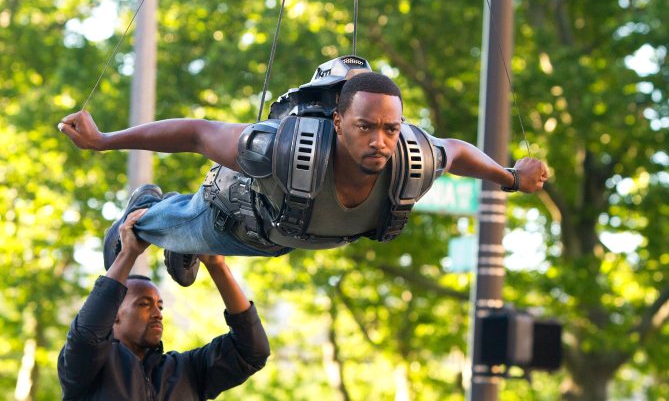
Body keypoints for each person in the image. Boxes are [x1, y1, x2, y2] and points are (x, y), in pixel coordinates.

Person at [58, 56, 549, 287]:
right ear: (337, 122)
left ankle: (183, 242)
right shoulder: (284, 150)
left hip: (287, 237)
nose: (380, 141)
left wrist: (511, 177)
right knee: (168, 226)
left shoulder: (412, 160)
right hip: (235, 221)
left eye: (390, 128)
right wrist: (104, 141)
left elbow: (457, 151)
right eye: (365, 127)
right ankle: (147, 209)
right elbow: (197, 133)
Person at [57, 209, 270, 400]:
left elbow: (252, 351)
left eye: (159, 306)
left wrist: (217, 266)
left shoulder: (188, 370)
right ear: (115, 314)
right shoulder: (87, 367)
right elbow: (87, 333)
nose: (158, 313)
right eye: (144, 304)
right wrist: (128, 253)